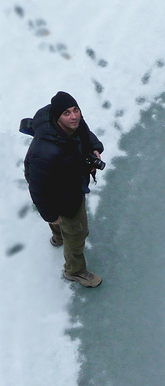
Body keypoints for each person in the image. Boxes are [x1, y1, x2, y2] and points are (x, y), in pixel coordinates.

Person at [23, 91, 104, 288]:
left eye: (76, 110)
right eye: (67, 113)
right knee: (77, 233)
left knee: (63, 224)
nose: (74, 116)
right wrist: (50, 215)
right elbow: (37, 189)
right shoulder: (44, 152)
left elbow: (84, 131)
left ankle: (58, 236)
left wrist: (94, 148)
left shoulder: (71, 125)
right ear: (58, 116)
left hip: (66, 184)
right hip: (64, 196)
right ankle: (74, 271)